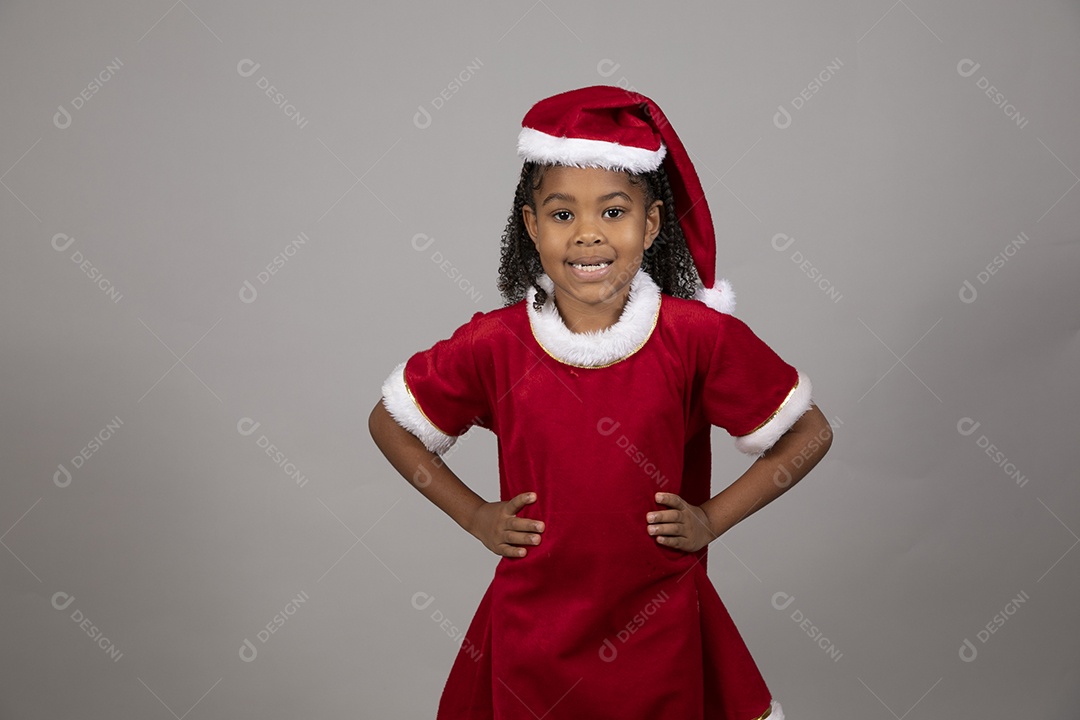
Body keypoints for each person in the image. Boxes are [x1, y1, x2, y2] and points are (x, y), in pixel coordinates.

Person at [369, 85, 833, 720]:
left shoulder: (694, 336)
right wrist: (476, 516)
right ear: (531, 226)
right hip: (534, 629)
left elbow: (809, 433)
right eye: (563, 215)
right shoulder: (495, 343)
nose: (588, 235)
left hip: (660, 619)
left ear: (652, 223)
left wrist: (712, 518)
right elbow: (390, 423)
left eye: (613, 212)